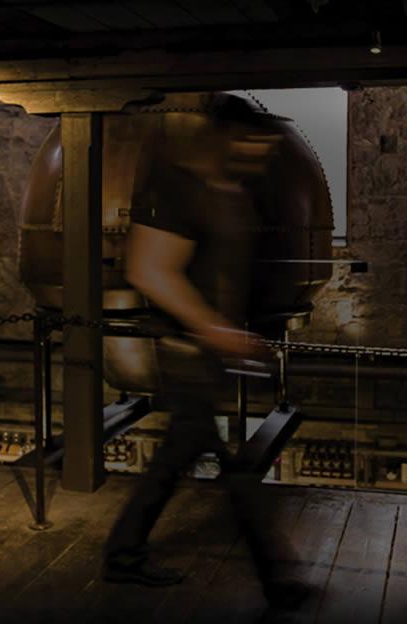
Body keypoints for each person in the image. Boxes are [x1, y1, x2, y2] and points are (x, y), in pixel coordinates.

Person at [102, 106, 308, 609]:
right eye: (255, 145)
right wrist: (215, 330)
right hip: (186, 353)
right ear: (229, 138)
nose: (261, 157)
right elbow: (149, 270)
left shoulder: (228, 190)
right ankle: (275, 579)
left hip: (205, 353)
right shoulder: (177, 189)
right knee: (230, 471)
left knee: (178, 459)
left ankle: (123, 553)